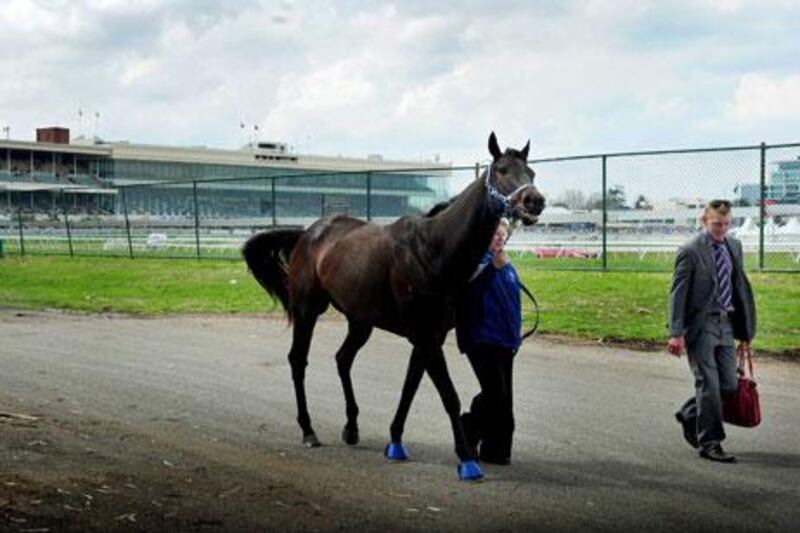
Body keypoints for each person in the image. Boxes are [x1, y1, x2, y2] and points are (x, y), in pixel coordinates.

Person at [668, 199, 756, 463]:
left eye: (727, 224)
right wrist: (676, 332)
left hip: (726, 325)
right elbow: (678, 294)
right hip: (701, 325)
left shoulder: (734, 246)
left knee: (728, 384)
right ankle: (710, 442)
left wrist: (746, 331)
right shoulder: (690, 250)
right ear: (704, 221)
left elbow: (739, 288)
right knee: (709, 383)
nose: (722, 229)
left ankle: (690, 412)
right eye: (717, 224)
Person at [457, 218, 522, 465]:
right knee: (496, 392)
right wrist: (493, 267)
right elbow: (469, 292)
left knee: (504, 399)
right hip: (480, 338)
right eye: (496, 234)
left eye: (503, 235)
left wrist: (515, 336)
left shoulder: (505, 265)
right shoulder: (475, 261)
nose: (500, 239)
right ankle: (466, 430)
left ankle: (496, 451)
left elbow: (511, 303)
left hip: (505, 341)